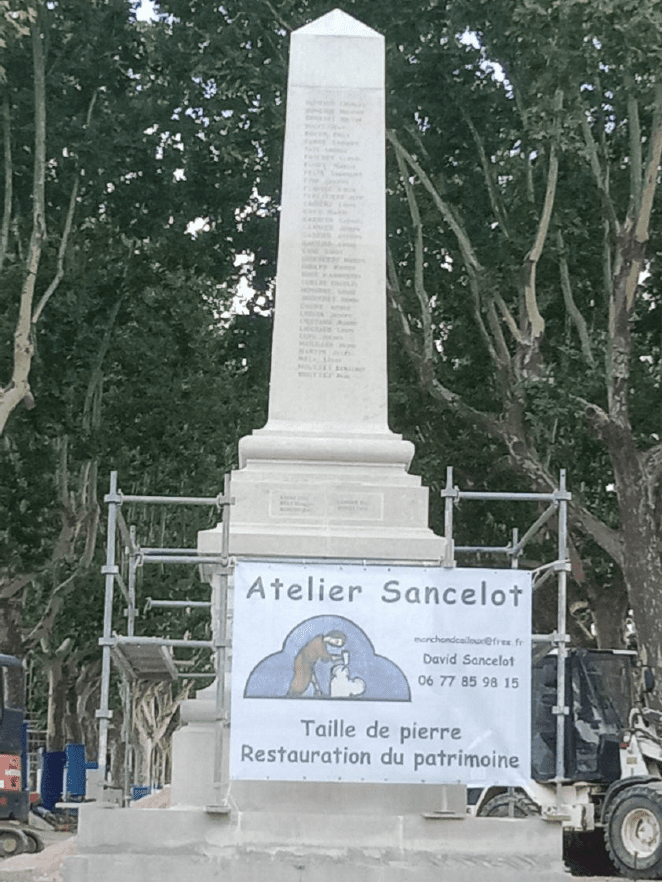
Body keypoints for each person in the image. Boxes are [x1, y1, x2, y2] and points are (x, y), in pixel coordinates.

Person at [287, 630, 347, 697]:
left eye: (337, 645)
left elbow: (324, 657)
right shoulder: (318, 642)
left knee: (311, 679)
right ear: (333, 636)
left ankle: (317, 692)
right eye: (336, 642)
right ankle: (293, 694)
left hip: (309, 663)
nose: (335, 644)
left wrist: (337, 658)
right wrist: (340, 658)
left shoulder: (322, 643)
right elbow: (324, 656)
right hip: (302, 662)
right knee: (302, 679)